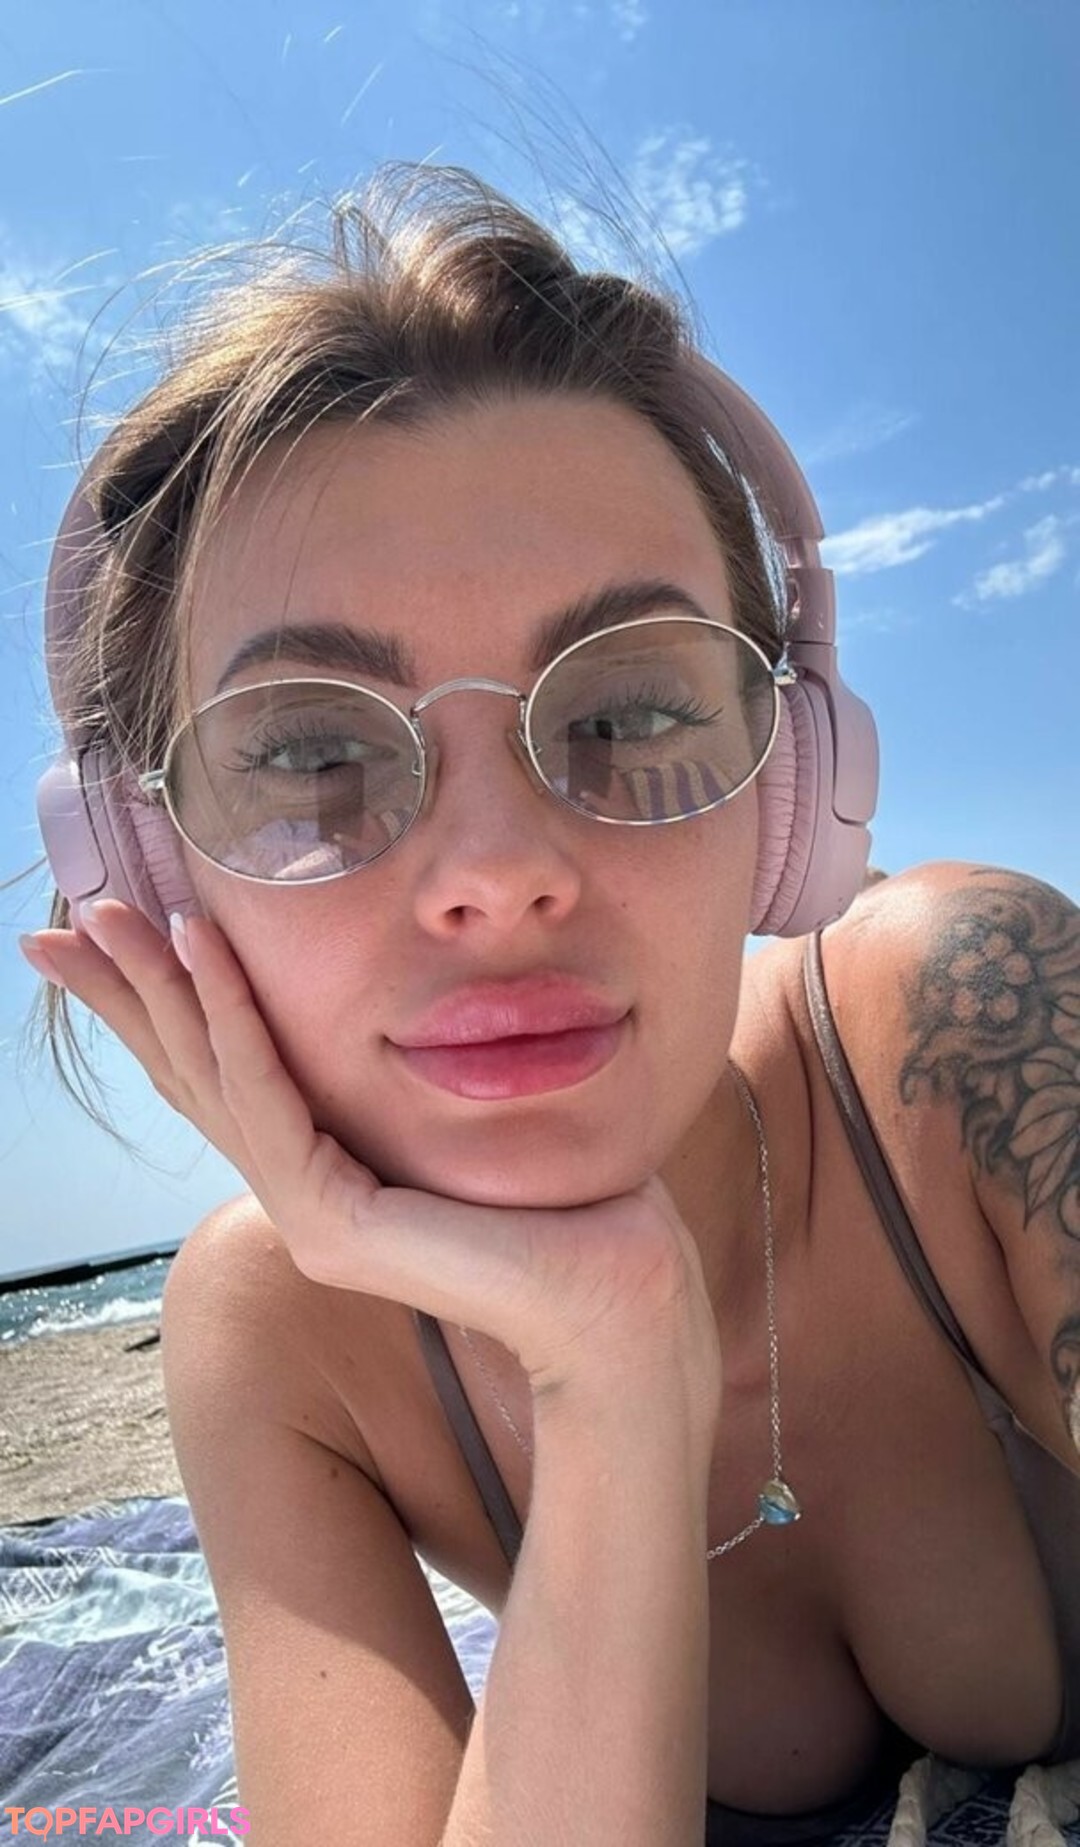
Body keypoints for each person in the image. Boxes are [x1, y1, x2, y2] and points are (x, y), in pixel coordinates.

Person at [19, 163, 1080, 1846]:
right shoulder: (285, 1329)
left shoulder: (968, 1024)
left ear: (789, 790)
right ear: (155, 873)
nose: (498, 873)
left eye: (631, 713)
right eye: (312, 752)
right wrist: (608, 1358)